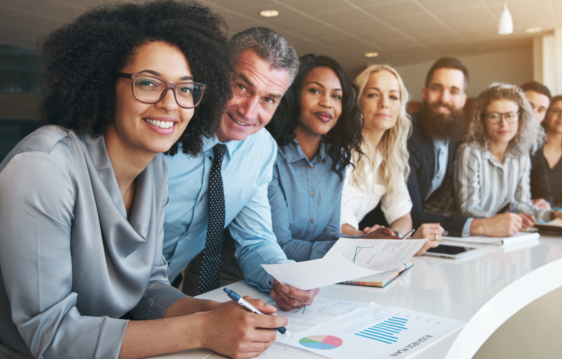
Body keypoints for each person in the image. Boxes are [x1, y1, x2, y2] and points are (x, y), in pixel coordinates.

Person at [0, 2, 287, 359]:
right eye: (148, 83)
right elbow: (50, 335)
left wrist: (213, 314)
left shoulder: (154, 169)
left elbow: (149, 287)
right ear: (106, 84)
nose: (170, 104)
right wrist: (201, 328)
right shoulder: (43, 167)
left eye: (185, 89)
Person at [162, 28, 320, 309]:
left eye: (268, 99)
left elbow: (255, 240)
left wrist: (284, 277)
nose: (248, 112)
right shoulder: (166, 127)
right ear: (218, 74)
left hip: (163, 294)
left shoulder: (261, 149)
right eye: (242, 87)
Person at [392, 57, 528, 238]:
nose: (444, 99)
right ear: (424, 93)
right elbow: (410, 214)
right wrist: (482, 226)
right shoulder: (405, 135)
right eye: (436, 88)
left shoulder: (457, 135)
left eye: (453, 91)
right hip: (383, 235)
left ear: (463, 100)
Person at [266, 54, 374, 262]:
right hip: (251, 281)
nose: (327, 103)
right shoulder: (270, 156)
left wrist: (367, 241)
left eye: (336, 96)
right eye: (315, 91)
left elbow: (328, 234)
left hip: (306, 277)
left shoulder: (337, 159)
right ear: (294, 95)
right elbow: (280, 245)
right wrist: (352, 251)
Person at [340, 64, 443, 250]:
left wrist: (394, 236)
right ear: (357, 101)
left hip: (360, 250)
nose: (384, 103)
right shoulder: (340, 152)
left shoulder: (389, 156)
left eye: (393, 96)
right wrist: (379, 240)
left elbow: (403, 217)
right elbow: (338, 225)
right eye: (373, 94)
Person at [453, 84, 562, 224]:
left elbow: (521, 205)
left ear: (520, 118)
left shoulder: (521, 153)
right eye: (494, 116)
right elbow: (467, 209)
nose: (504, 124)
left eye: (510, 116)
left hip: (498, 232)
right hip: (465, 234)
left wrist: (554, 215)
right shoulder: (470, 152)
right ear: (482, 119)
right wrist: (504, 221)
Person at [520, 81, 552, 209]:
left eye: (541, 110)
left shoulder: (535, 144)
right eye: (529, 106)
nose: (533, 114)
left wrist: (544, 202)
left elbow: (544, 191)